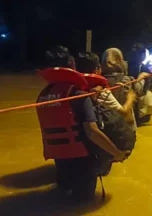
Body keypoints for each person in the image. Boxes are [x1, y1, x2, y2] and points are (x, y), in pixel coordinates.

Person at [36, 46, 129, 201]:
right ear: (73, 65)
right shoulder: (76, 94)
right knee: (82, 204)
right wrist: (116, 153)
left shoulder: (44, 95)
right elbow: (92, 132)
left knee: (62, 199)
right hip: (81, 159)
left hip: (59, 158)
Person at [76, 52, 137, 176]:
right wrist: (131, 97)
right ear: (97, 70)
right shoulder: (104, 91)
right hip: (97, 141)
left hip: (76, 142)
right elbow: (126, 114)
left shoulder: (72, 89)